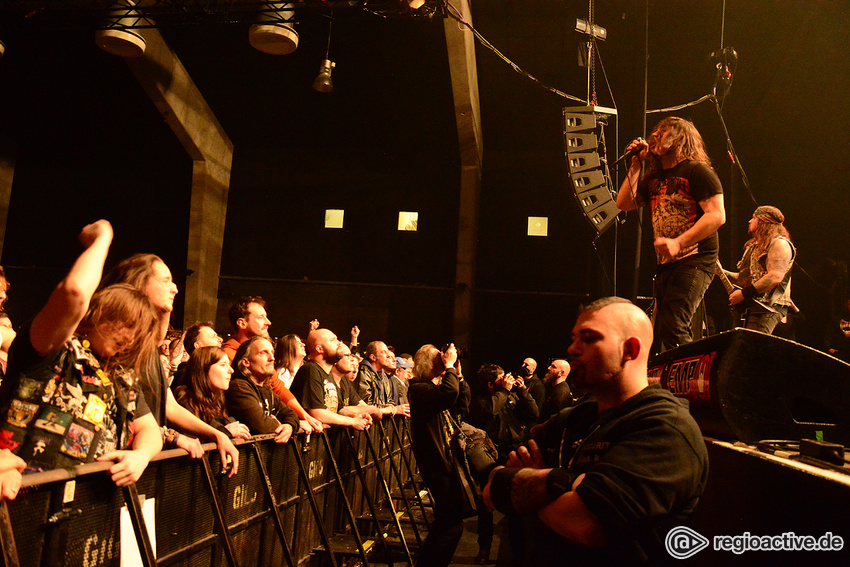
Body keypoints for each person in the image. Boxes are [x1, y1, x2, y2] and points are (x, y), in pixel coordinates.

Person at [483, 297, 709, 566]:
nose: (572, 349)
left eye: (588, 339)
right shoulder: (575, 418)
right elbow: (494, 484)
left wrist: (536, 482)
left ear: (630, 349)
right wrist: (569, 483)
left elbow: (586, 522)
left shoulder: (666, 428)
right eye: (574, 338)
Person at [0, 221, 162, 487]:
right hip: (22, 504)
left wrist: (141, 455)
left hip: (85, 516)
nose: (131, 338)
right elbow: (74, 292)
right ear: (103, 312)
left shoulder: (120, 375)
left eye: (139, 333)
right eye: (128, 324)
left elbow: (149, 429)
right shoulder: (53, 348)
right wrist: (103, 238)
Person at [101, 254, 240, 475]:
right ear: (139, 283)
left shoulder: (147, 356)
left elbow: (164, 409)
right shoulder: (100, 354)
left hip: (137, 465)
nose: (175, 289)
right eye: (166, 281)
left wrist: (217, 434)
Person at [616, 116, 726, 353]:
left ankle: (692, 380)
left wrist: (679, 242)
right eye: (654, 132)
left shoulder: (698, 171)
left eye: (663, 132)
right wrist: (636, 165)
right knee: (662, 329)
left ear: (680, 139)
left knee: (675, 324)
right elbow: (624, 203)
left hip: (695, 259)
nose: (653, 136)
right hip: (667, 264)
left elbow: (717, 216)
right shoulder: (654, 179)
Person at [408, 343, 464, 567]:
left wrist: (456, 372)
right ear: (426, 364)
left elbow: (460, 401)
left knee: (449, 523)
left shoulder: (431, 388)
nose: (443, 361)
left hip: (443, 463)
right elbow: (449, 393)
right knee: (450, 524)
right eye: (438, 359)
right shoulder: (419, 389)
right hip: (436, 464)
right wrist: (449, 367)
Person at [721, 205, 796, 334]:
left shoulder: (780, 244)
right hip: (753, 305)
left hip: (770, 307)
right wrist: (719, 270)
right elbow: (742, 277)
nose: (749, 221)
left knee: (752, 346)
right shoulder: (753, 247)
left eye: (754, 218)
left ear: (763, 222)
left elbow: (775, 277)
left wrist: (744, 294)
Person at [291, 330, 377, 429]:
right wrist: (353, 421)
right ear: (320, 349)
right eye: (333, 340)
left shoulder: (329, 375)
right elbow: (318, 413)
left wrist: (356, 416)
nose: (339, 343)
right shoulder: (311, 370)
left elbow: (338, 411)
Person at [226, 337, 301, 442]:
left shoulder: (266, 390)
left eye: (272, 353)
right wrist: (280, 424)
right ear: (246, 362)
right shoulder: (239, 387)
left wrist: (289, 426)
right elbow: (261, 425)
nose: (272, 358)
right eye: (263, 353)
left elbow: (291, 414)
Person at [174, 346, 251, 440]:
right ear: (203, 369)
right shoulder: (185, 401)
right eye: (223, 365)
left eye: (229, 364)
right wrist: (224, 433)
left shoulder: (220, 399)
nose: (231, 370)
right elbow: (191, 443)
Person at [221, 296, 271, 362]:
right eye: (260, 317)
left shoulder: (266, 353)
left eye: (266, 317)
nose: (268, 322)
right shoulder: (227, 358)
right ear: (242, 323)